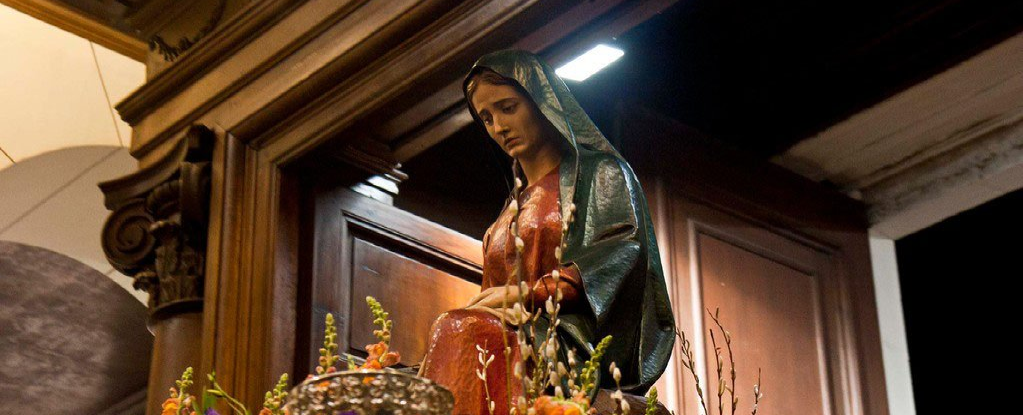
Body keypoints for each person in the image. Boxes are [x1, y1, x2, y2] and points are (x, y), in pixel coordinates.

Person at [418, 50, 675, 414]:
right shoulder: (507, 213)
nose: (498, 127)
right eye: (487, 118)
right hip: (508, 334)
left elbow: (619, 256)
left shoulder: (601, 174)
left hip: (571, 340)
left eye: (508, 108)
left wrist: (529, 295)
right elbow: (491, 299)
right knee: (443, 340)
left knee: (463, 330)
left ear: (542, 102)